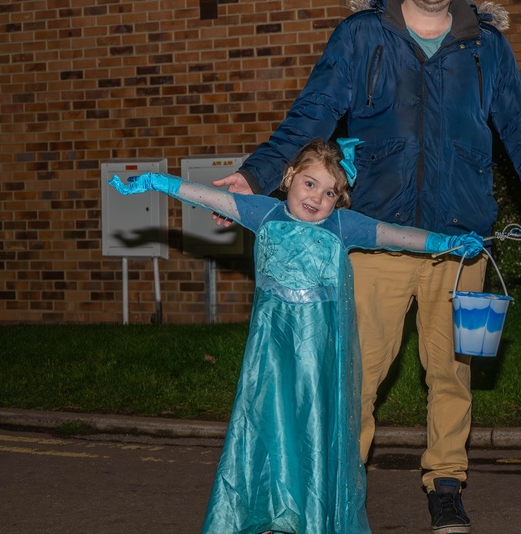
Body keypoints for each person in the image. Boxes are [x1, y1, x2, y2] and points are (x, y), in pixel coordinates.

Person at [212, 0, 521, 532]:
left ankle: (446, 482)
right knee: (356, 377)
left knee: (452, 373)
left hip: (459, 245)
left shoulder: (486, 48)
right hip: (375, 243)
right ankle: (336, 481)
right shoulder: (362, 38)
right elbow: (313, 114)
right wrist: (256, 177)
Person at [109, 137, 483, 534]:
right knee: (265, 425)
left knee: (312, 427)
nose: (317, 197)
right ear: (288, 177)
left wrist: (445, 243)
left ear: (338, 201)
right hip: (269, 353)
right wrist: (157, 182)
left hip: (318, 356)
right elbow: (207, 197)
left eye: (329, 192)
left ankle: (309, 517)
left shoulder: (343, 225)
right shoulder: (263, 214)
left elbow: (394, 235)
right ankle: (266, 510)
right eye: (309, 183)